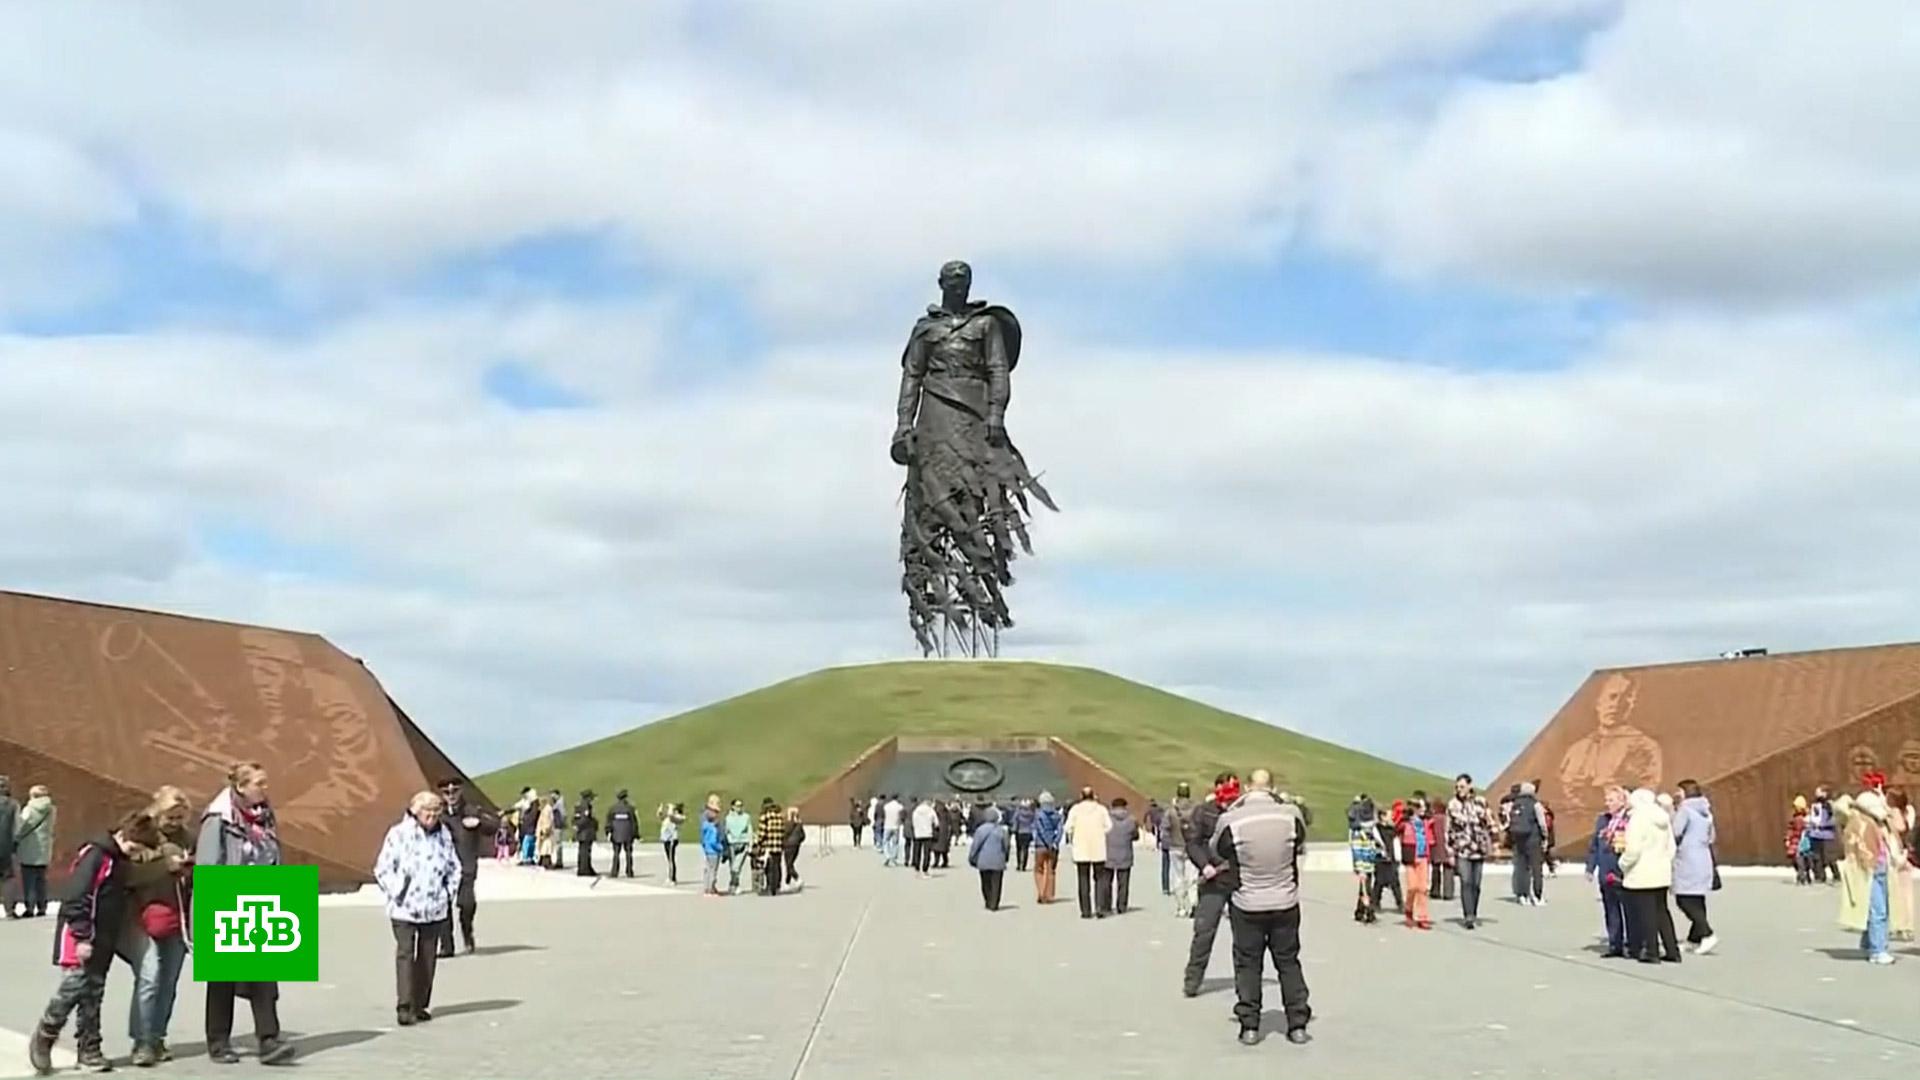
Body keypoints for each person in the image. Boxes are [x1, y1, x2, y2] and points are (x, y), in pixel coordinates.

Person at [27, 809, 161, 1076]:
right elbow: (78, 895)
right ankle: (45, 1035)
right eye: (135, 848)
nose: (135, 854)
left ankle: (89, 1050)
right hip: (81, 934)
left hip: (103, 936)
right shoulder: (97, 855)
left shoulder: (119, 859)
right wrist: (81, 936)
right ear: (124, 835)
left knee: (93, 994)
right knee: (73, 988)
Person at [197, 762, 297, 1065]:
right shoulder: (218, 819)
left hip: (261, 897)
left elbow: (274, 855)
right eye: (259, 783)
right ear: (241, 786)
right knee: (223, 976)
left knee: (264, 973)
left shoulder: (265, 816)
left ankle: (269, 1040)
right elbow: (206, 866)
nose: (265, 789)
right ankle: (218, 1041)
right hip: (227, 897)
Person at [1211, 768, 1311, 1047]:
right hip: (1285, 899)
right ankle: (1297, 1024)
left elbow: (1217, 848)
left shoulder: (1232, 818)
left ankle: (1250, 1025)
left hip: (1247, 901)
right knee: (1289, 962)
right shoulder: (1291, 815)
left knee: (1248, 963)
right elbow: (1299, 842)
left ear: (1246, 787)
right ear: (1273, 788)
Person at [375, 792, 461, 1027]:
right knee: (405, 953)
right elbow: (382, 868)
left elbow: (454, 867)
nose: (432, 817)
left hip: (434, 906)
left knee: (427, 957)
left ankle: (420, 1003)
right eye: (427, 813)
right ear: (415, 812)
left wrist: (447, 894)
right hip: (404, 908)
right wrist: (397, 891)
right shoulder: (399, 834)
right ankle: (404, 1006)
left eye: (436, 813)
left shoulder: (444, 835)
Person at [124, 786, 193, 1066]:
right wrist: (166, 864)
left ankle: (157, 1037)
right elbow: (130, 872)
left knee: (168, 983)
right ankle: (141, 1041)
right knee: (149, 979)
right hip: (142, 915)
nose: (175, 823)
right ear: (158, 812)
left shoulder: (188, 837)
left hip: (177, 917)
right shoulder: (142, 832)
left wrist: (191, 867)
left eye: (179, 817)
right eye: (170, 817)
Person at [1182, 773, 1240, 997]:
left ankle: (1244, 983)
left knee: (1244, 936)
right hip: (1212, 881)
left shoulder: (1241, 811)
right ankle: (1193, 978)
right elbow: (1193, 843)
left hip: (1237, 880)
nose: (1228, 802)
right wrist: (1204, 864)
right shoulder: (1203, 811)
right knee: (1204, 932)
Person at [1618, 787, 1680, 965]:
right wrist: (1664, 862)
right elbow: (1671, 847)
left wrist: (1623, 864)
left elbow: (1633, 848)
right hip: (1661, 871)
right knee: (1662, 912)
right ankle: (1672, 950)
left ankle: (1651, 951)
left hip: (1641, 871)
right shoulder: (1663, 817)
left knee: (1646, 913)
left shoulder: (1638, 819)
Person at [1839, 789, 1900, 964]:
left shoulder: (1874, 822)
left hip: (1879, 867)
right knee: (1878, 909)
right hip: (1870, 869)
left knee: (1877, 907)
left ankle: (1868, 943)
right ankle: (1878, 950)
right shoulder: (1859, 822)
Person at [437, 778, 493, 957]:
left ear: (460, 791)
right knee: (442, 908)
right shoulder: (438, 814)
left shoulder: (471, 810)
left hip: (465, 866)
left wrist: (479, 823)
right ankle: (447, 946)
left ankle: (467, 932)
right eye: (446, 792)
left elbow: (494, 826)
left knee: (467, 904)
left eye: (454, 792)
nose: (451, 796)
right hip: (443, 868)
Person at [1670, 779, 1718, 955]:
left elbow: (1675, 831)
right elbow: (1711, 836)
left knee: (1684, 899)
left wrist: (1672, 812)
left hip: (1687, 858)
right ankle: (1694, 938)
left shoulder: (1686, 810)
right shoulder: (1706, 811)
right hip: (1703, 857)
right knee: (1697, 898)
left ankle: (1707, 933)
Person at [1586, 786, 1631, 958]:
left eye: (1611, 800)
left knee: (1628, 910)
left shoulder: (1630, 820)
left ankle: (1631, 943)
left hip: (1622, 870)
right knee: (1610, 909)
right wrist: (1590, 867)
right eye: (1607, 800)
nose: (1608, 803)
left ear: (1622, 801)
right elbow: (1594, 846)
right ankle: (1615, 944)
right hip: (1605, 871)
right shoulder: (1602, 820)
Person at [1065, 787, 1111, 920]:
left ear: (1081, 796)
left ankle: (1086, 910)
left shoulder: (1075, 810)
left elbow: (1067, 827)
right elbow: (1109, 826)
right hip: (1098, 848)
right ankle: (1099, 907)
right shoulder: (1101, 809)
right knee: (1100, 879)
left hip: (1081, 849)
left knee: (1083, 879)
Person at [12, 783, 55, 919]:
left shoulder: (29, 809)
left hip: (29, 848)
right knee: (41, 879)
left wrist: (16, 837)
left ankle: (30, 907)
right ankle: (42, 906)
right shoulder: (51, 809)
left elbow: (20, 825)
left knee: (29, 879)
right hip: (44, 847)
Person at [1398, 795, 1436, 930]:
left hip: (1423, 857)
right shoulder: (1405, 823)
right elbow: (1396, 826)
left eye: (1424, 806)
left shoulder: (1427, 822)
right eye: (1420, 807)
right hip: (1410, 857)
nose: (1423, 809)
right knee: (1412, 887)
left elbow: (1434, 822)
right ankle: (1408, 910)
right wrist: (1404, 815)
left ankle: (1422, 917)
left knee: (1423, 888)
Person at [1508, 781, 1547, 906]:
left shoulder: (1515, 804)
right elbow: (1542, 823)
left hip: (1519, 840)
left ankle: (1522, 895)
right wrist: (1545, 837)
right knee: (1536, 869)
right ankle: (1537, 896)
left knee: (1521, 868)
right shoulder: (1535, 804)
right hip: (1533, 840)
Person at [969, 806, 1011, 911]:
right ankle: (994, 903)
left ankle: (988, 900)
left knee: (985, 882)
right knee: (996, 883)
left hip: (984, 860)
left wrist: (972, 857)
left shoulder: (980, 830)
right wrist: (1006, 857)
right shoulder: (1001, 830)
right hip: (998, 860)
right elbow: (1006, 845)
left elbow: (975, 846)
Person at [1887, 791, 1916, 942]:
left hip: (1895, 851)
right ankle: (1909, 927)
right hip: (1907, 853)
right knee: (1908, 892)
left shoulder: (1892, 812)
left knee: (1895, 892)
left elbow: (1898, 830)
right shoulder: (1910, 811)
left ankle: (1898, 926)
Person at [1164, 784, 1196, 918]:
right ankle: (1194, 903)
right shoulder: (1195, 809)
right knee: (1192, 878)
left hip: (1175, 846)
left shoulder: (1171, 811)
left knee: (1178, 877)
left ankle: (1181, 907)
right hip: (1191, 846)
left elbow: (1165, 828)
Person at [1103, 797, 1138, 916]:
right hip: (1125, 853)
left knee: (1107, 882)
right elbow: (1135, 836)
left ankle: (1106, 905)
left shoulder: (1106, 819)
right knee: (1123, 883)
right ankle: (1121, 906)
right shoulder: (1131, 820)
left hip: (1108, 853)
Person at [1349, 797, 1381, 923]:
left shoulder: (1369, 832)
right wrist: (1359, 867)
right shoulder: (1358, 833)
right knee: (1366, 888)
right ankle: (1369, 911)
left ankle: (1360, 911)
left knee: (1365, 888)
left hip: (1369, 863)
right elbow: (1357, 851)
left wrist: (1376, 852)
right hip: (1363, 865)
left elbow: (1371, 847)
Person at [1031, 792, 1063, 904]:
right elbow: (1060, 830)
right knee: (1051, 871)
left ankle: (1041, 892)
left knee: (1039, 870)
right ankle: (1049, 895)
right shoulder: (1057, 815)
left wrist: (1047, 842)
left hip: (1041, 845)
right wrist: (1055, 842)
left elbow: (1040, 830)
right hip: (1053, 847)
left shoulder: (1039, 815)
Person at [754, 798, 788, 896]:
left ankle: (770, 887)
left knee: (769, 868)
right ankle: (777, 886)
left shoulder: (765, 817)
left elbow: (762, 833)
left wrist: (757, 842)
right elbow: (783, 831)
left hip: (768, 846)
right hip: (778, 846)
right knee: (777, 866)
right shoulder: (780, 816)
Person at [1806, 787, 1839, 884]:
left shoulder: (1830, 805)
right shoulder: (1815, 805)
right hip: (1816, 834)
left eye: (1819, 792)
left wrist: (1824, 824)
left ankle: (1836, 874)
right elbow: (1813, 817)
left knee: (1829, 857)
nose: (1817, 794)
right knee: (1817, 857)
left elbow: (1834, 819)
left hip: (1826, 834)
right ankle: (1820, 876)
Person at [606, 790, 639, 879]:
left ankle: (614, 872)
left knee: (616, 853)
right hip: (628, 834)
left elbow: (609, 822)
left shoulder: (613, 808)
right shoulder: (630, 808)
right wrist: (636, 834)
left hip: (616, 834)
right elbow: (634, 822)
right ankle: (629, 871)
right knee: (628, 853)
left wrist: (608, 832)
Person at [725, 799, 754, 893]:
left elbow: (750, 831)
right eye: (737, 806)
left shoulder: (746, 817)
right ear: (733, 807)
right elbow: (726, 831)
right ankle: (733, 884)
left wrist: (750, 844)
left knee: (737, 866)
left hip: (743, 843)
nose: (739, 808)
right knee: (732, 867)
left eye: (741, 805)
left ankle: (735, 885)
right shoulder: (728, 818)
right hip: (732, 843)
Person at [700, 796, 726, 896]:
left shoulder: (705, 825)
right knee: (713, 870)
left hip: (707, 850)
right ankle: (710, 888)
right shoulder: (713, 828)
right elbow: (714, 841)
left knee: (707, 869)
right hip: (714, 851)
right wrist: (720, 848)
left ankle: (707, 888)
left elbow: (704, 839)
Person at [0, 775, 17, 921]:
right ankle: (9, 910)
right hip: (6, 846)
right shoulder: (12, 804)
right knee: (7, 879)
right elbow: (17, 827)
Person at [572, 791, 599, 877]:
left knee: (581, 851)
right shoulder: (586, 806)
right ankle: (585, 869)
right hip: (586, 832)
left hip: (580, 832)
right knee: (585, 852)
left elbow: (575, 818)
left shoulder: (578, 805)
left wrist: (576, 826)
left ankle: (582, 868)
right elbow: (585, 819)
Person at [910, 796, 938, 877]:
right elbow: (936, 823)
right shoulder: (930, 810)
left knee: (917, 851)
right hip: (928, 833)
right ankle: (925, 869)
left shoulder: (916, 810)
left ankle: (917, 869)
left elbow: (913, 822)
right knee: (927, 853)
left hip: (918, 833)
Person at [1786, 796, 1812, 885]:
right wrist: (1788, 838)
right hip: (1796, 841)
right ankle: (1801, 874)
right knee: (1796, 859)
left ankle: (1803, 875)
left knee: (1802, 859)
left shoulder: (1806, 818)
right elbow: (1791, 829)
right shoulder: (1794, 818)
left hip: (1803, 840)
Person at [659, 802, 686, 885]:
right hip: (666, 839)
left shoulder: (678, 817)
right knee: (669, 859)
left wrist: (671, 808)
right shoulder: (669, 817)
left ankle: (673, 878)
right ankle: (670, 876)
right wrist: (660, 809)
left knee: (671, 859)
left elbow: (671, 816)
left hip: (672, 840)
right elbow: (661, 817)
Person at [782, 807, 806, 888]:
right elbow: (803, 836)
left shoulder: (788, 824)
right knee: (790, 864)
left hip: (788, 846)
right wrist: (798, 842)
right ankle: (787, 882)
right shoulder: (799, 825)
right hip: (796, 846)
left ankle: (797, 878)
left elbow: (784, 834)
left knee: (788, 865)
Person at [1011, 797, 1036, 873]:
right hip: (1028, 832)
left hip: (1019, 832)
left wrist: (1013, 830)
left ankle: (1019, 865)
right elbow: (1034, 822)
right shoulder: (1032, 813)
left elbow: (1014, 821)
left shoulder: (1018, 813)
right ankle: (1024, 865)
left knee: (1018, 849)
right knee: (1025, 849)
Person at [534, 795, 559, 870]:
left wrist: (544, 831)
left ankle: (546, 862)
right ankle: (542, 860)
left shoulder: (547, 810)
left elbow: (548, 821)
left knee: (546, 847)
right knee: (543, 847)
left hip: (546, 832)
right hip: (543, 831)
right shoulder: (545, 809)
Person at [880, 795, 906, 868]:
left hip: (887, 825)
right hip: (896, 826)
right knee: (895, 843)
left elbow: (883, 814)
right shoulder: (900, 806)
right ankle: (894, 858)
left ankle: (887, 855)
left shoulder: (886, 806)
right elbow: (902, 815)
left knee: (885, 841)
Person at [516, 791, 539, 865]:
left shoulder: (532, 809)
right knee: (529, 843)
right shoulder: (532, 808)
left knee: (527, 844)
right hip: (529, 828)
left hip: (529, 828)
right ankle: (529, 857)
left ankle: (526, 858)